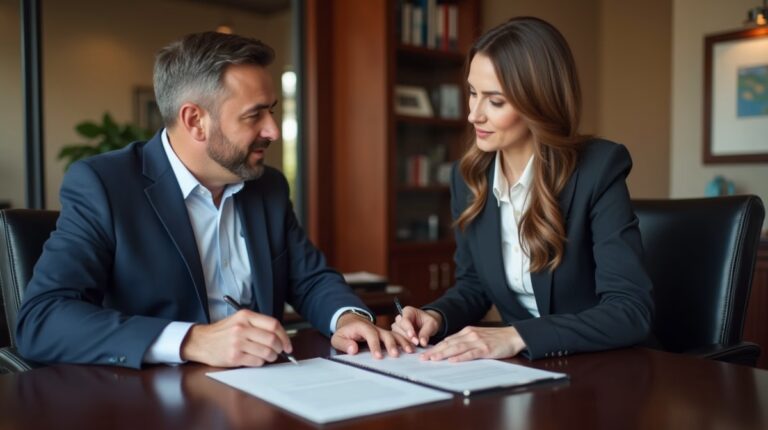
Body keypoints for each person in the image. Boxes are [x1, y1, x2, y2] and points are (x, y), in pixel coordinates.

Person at [16, 31, 411, 369]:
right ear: (194, 120)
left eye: (272, 111)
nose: (273, 130)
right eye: (254, 115)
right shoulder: (104, 185)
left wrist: (347, 318)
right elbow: (42, 319)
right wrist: (193, 341)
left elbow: (308, 278)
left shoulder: (268, 186)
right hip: (156, 404)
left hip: (271, 390)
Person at [391, 17, 654, 362]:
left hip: (602, 371)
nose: (473, 115)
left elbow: (630, 311)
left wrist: (516, 336)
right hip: (526, 373)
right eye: (472, 93)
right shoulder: (468, 177)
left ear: (539, 103)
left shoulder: (598, 169)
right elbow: (473, 287)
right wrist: (436, 316)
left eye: (495, 101)